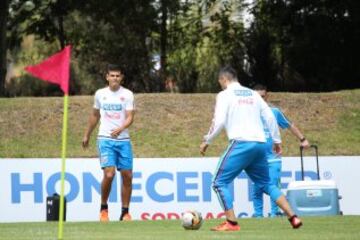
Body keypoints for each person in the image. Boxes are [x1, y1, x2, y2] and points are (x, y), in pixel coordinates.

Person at [199, 66, 302, 231]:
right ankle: (293, 217)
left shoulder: (224, 95)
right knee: (267, 183)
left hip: (241, 143)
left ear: (223, 80)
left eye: (220, 82)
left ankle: (231, 223)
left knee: (218, 182)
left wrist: (207, 140)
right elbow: (269, 116)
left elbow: (218, 121)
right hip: (260, 145)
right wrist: (276, 140)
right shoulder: (253, 94)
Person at [82, 64, 135, 222]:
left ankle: (125, 212)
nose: (115, 78)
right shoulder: (100, 94)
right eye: (112, 75)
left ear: (121, 77)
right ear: (107, 77)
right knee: (109, 174)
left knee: (127, 176)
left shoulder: (127, 94)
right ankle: (103, 209)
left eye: (117, 76)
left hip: (123, 140)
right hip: (105, 139)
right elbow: (94, 115)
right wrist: (87, 135)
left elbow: (130, 117)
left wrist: (121, 128)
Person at [251, 84, 310, 218]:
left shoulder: (274, 112)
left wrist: (303, 139)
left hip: (273, 157)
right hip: (255, 159)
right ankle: (258, 216)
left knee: (273, 187)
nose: (260, 99)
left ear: (267, 96)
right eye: (257, 96)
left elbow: (290, 125)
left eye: (262, 96)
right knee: (257, 188)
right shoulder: (248, 114)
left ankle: (274, 214)